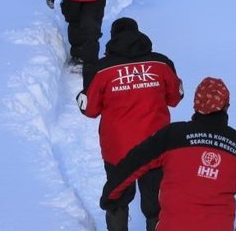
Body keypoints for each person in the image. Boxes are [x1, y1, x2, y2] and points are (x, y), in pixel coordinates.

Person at [100, 77, 236, 231]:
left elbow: (133, 163)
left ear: (196, 105)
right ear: (226, 106)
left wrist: (111, 195)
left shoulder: (173, 135)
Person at [78, 17, 184, 231]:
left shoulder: (101, 70)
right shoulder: (161, 63)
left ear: (114, 39)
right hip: (156, 148)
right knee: (156, 204)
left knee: (117, 199)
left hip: (118, 150)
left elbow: (89, 110)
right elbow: (175, 98)